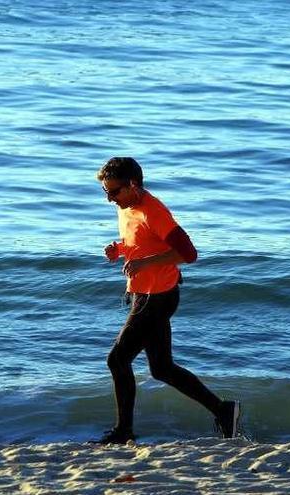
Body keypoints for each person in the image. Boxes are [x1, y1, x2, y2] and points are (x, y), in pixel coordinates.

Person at [92, 156, 240, 445]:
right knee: (161, 368)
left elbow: (188, 253)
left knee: (117, 360)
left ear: (132, 185)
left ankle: (124, 432)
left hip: (157, 297)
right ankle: (224, 410)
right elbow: (143, 241)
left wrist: (145, 263)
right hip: (143, 294)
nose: (109, 199)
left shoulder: (154, 210)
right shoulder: (128, 206)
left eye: (114, 192)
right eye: (105, 192)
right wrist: (119, 249)